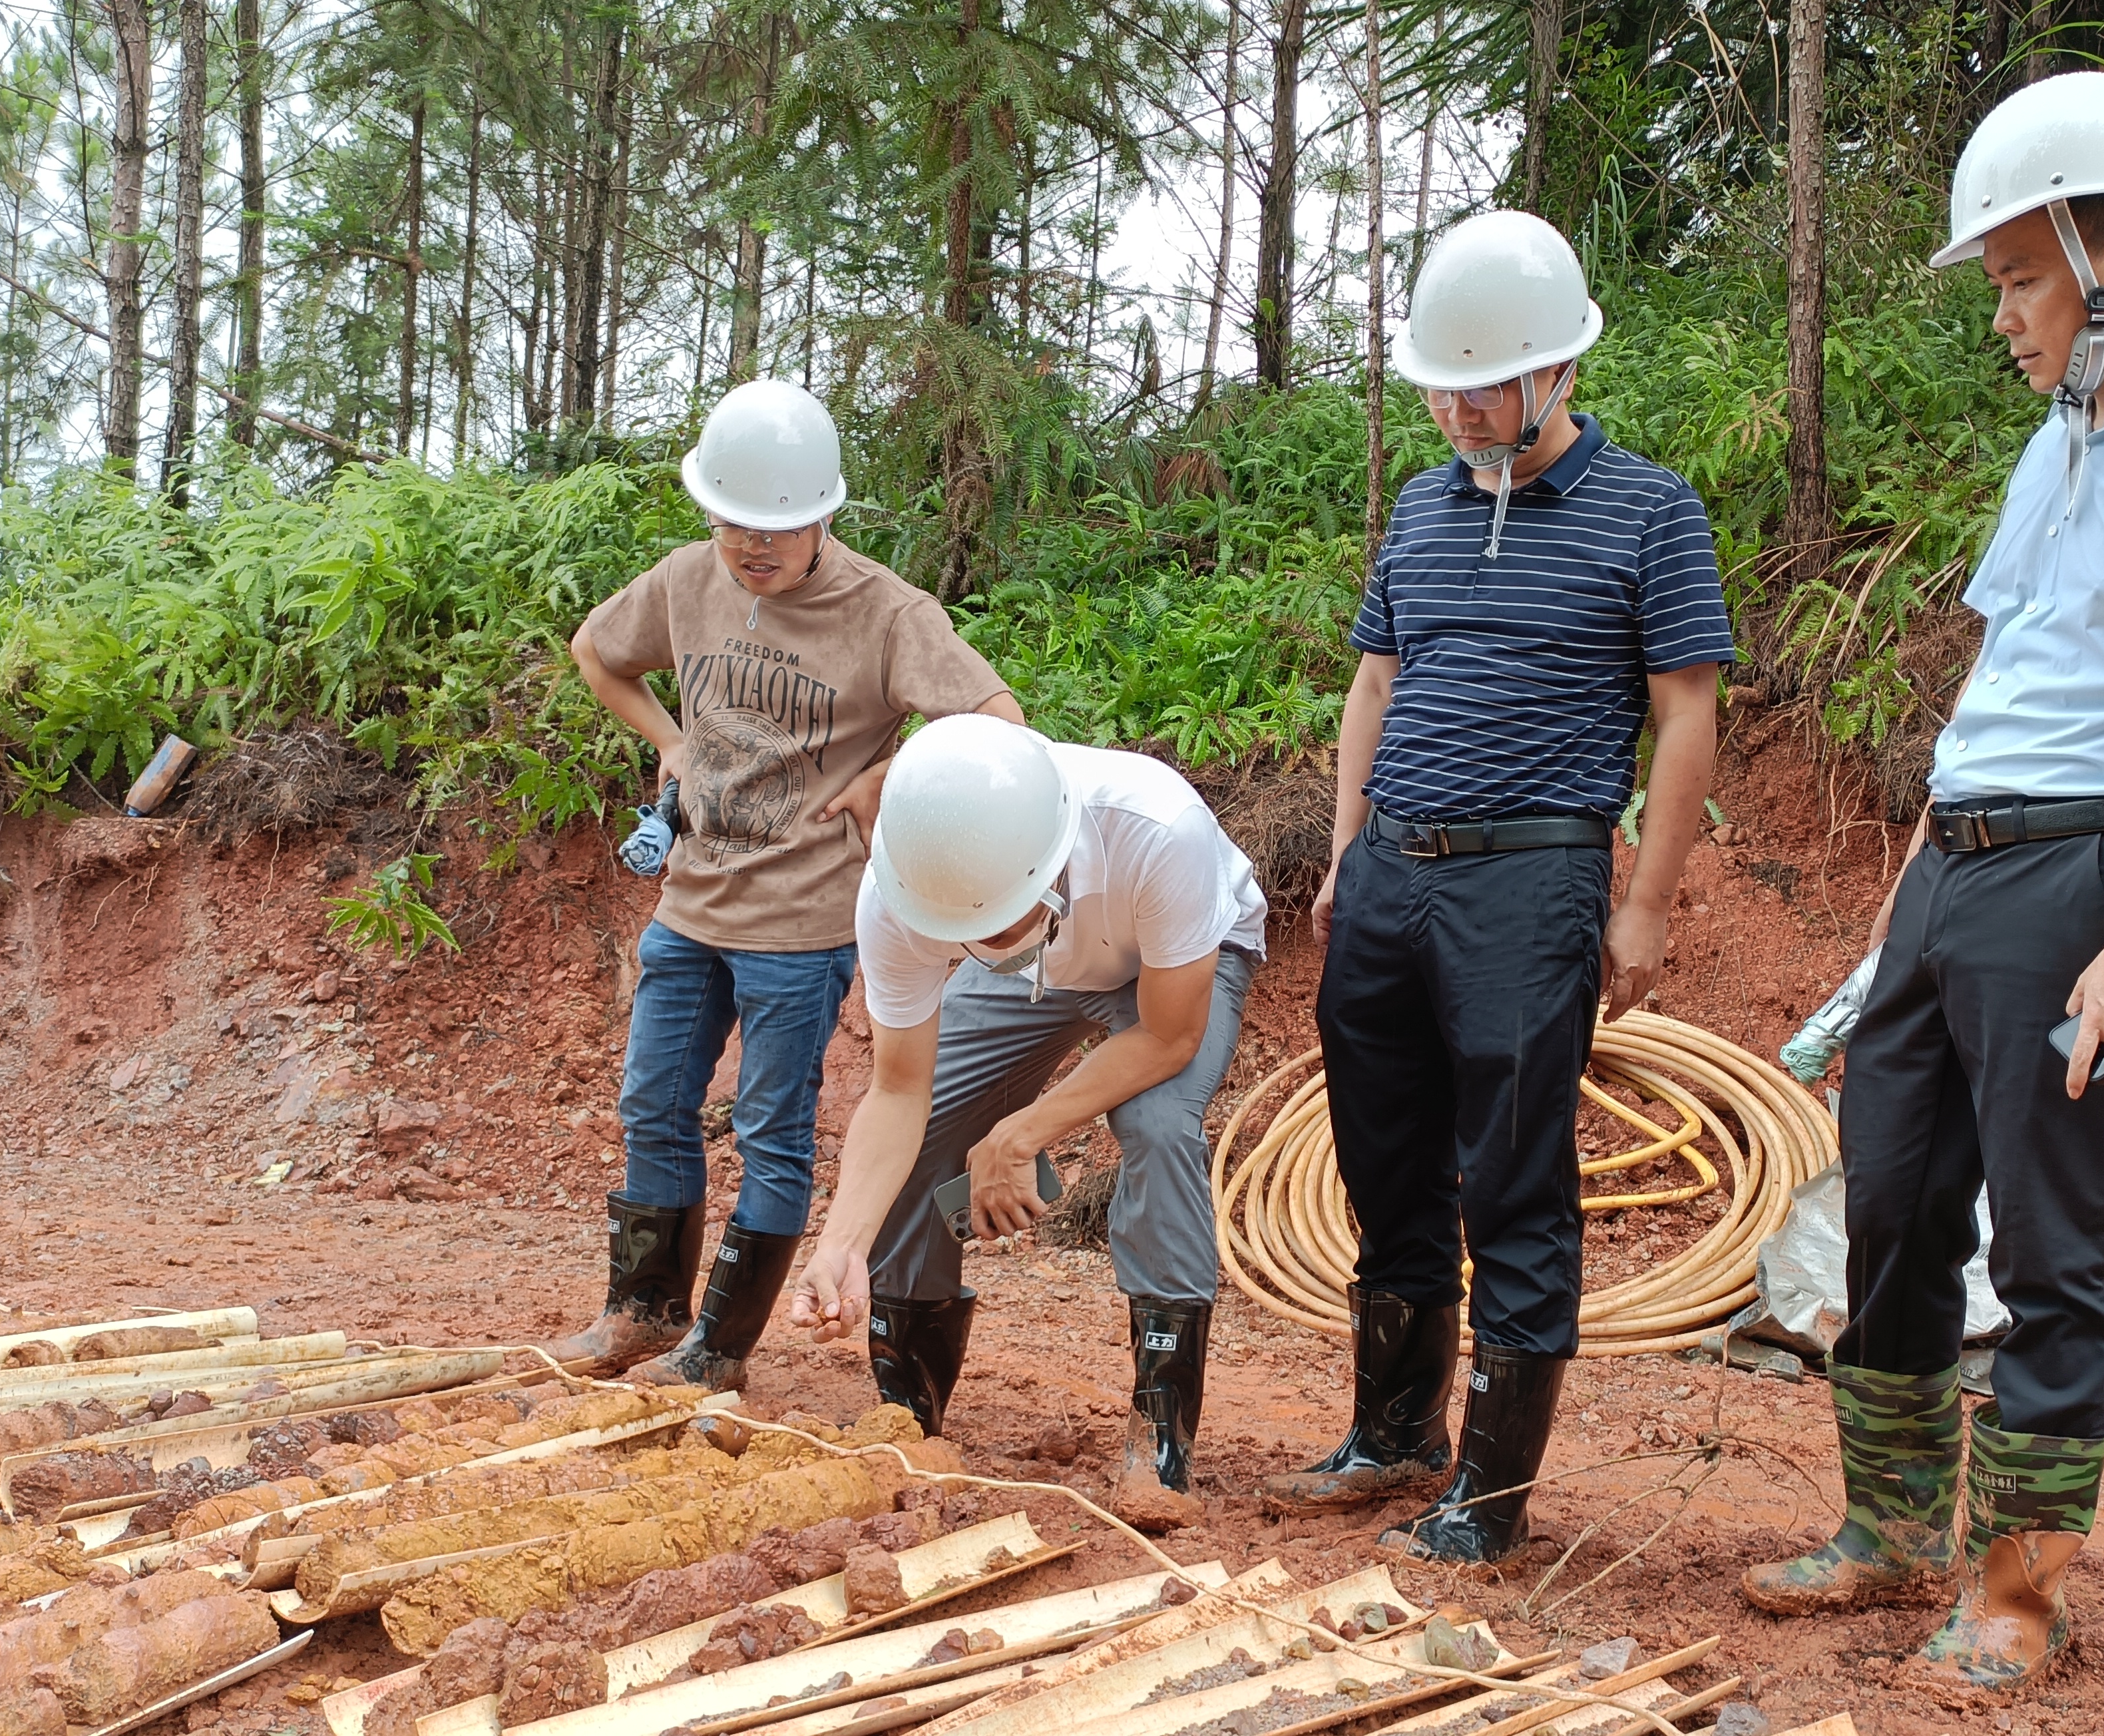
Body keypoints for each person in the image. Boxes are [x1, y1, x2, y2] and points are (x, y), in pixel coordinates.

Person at [1738, 72, 2104, 1701]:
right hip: (1956, 866)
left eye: (2017, 279)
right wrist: (1891, 920)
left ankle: (2015, 1591)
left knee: (2059, 1250)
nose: (2000, 315)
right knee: (1890, 1211)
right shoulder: (2059, 438)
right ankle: (1886, 1529)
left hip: (2087, 874)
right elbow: (2003, 684)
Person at [1261, 210, 1732, 1564]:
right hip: (1391, 873)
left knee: (1513, 1179)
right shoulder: (1418, 504)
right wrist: (1348, 847)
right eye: (1439, 382)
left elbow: (1684, 712)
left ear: (1556, 373)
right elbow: (1374, 682)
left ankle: (1490, 1494)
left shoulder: (1648, 509)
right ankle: (1394, 1433)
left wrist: (1640, 902)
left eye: (1483, 382)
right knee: (1385, 1159)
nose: (1457, 406)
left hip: (1530, 883)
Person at [545, 377, 1023, 1393]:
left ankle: (719, 1350)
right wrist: (671, 742)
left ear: (825, 514)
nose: (754, 549)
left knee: (771, 1128)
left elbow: (997, 720)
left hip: (803, 927)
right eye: (733, 527)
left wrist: (883, 779)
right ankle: (641, 1310)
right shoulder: (685, 582)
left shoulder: (887, 613)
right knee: (654, 1104)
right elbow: (597, 652)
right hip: (691, 902)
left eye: (779, 530)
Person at [784, 714, 1266, 1531]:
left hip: (1165, 965)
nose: (978, 941)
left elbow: (1169, 1035)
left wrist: (1022, 1130)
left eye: (997, 921)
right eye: (960, 933)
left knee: (1155, 1121)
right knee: (932, 1123)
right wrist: (840, 1242)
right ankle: (909, 1414)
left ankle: (1160, 1436)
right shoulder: (906, 894)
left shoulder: (1156, 830)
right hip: (1044, 970)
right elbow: (898, 1090)